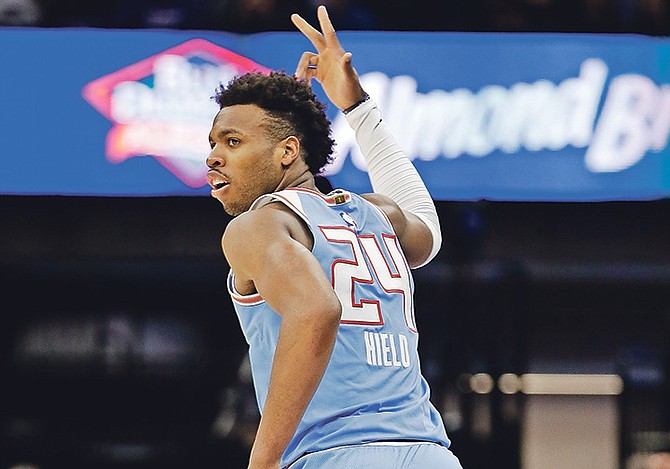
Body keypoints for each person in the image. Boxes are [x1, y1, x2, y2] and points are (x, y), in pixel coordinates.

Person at [206, 5, 463, 469]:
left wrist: (262, 462)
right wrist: (358, 107)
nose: (213, 157)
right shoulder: (373, 213)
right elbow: (429, 229)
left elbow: (316, 309)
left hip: (337, 455)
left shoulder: (259, 224)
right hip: (429, 455)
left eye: (232, 141)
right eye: (213, 144)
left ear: (288, 151)